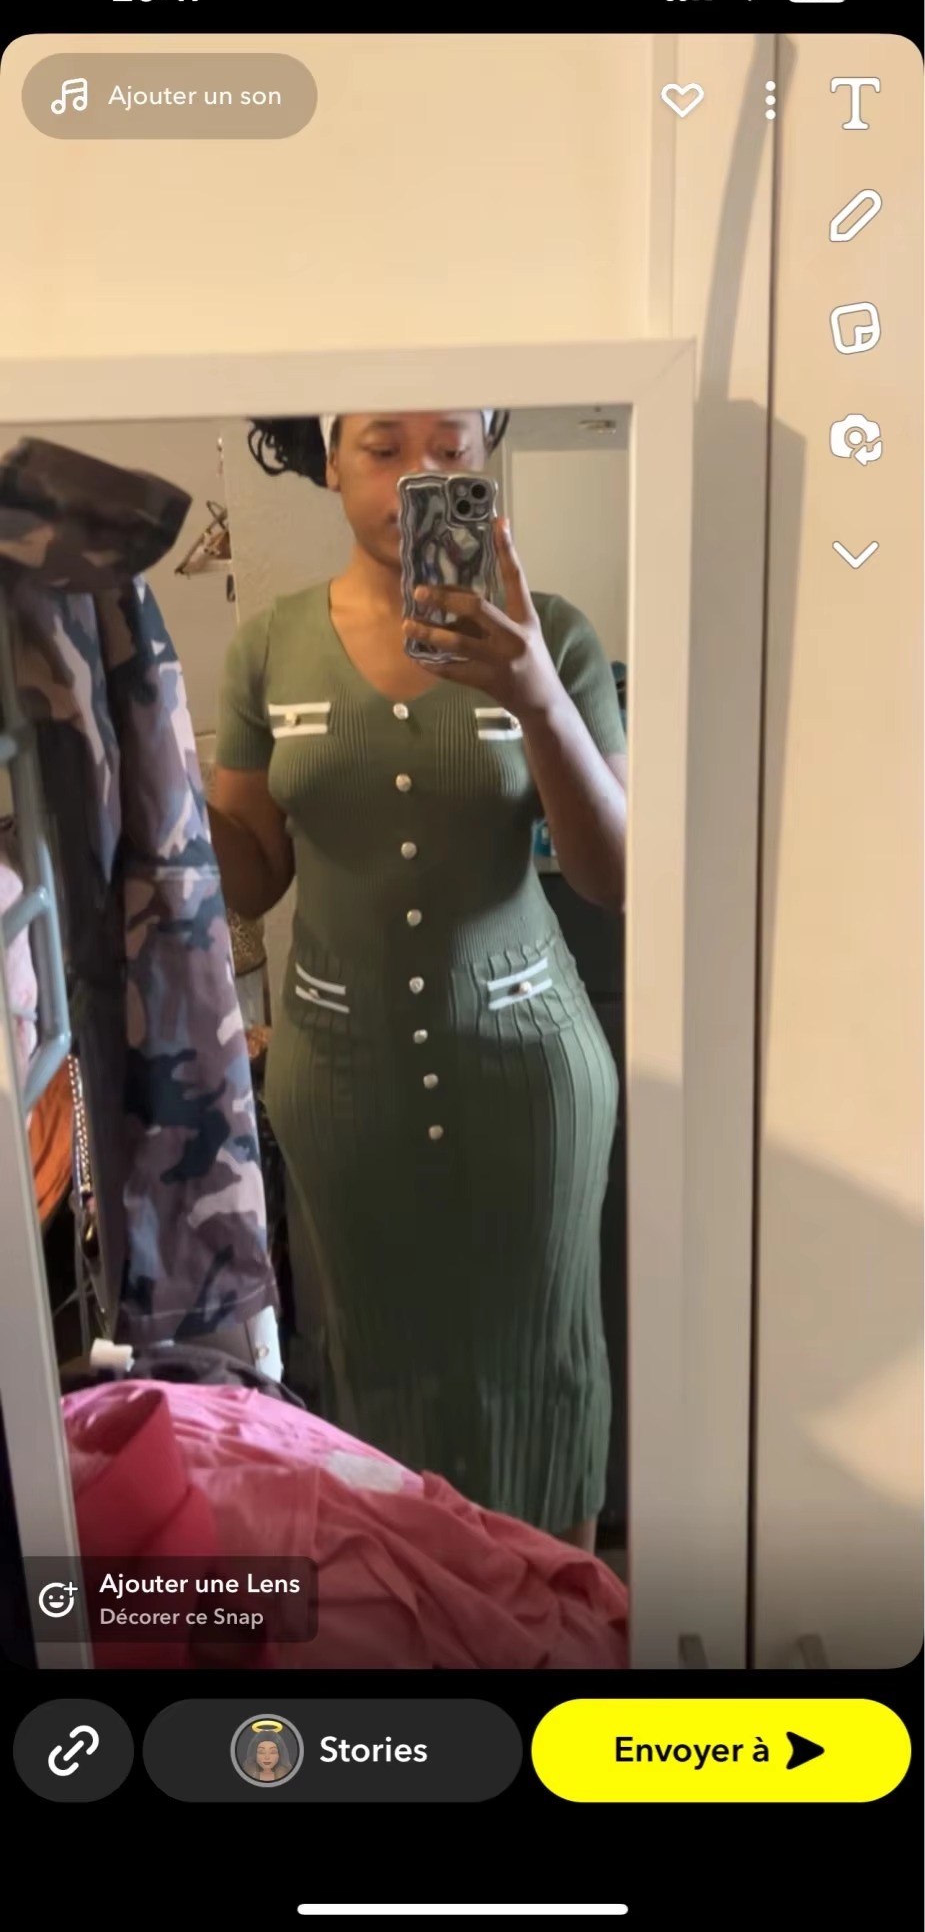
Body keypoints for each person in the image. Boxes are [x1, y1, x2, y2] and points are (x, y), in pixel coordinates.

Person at [208, 410, 627, 1552]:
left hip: (526, 1075)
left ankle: (555, 1616)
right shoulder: (268, 648)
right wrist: (160, 778)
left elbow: (612, 875)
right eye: (382, 447)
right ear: (328, 460)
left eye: (449, 449)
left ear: (485, 460)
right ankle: (406, 1624)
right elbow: (252, 878)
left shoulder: (554, 636)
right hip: (342, 1081)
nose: (415, 479)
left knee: (541, 1361)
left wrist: (535, 692)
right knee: (372, 1358)